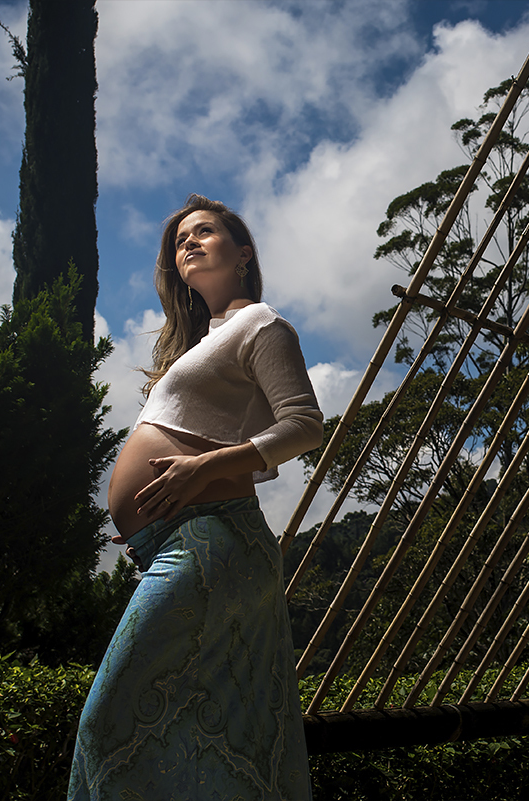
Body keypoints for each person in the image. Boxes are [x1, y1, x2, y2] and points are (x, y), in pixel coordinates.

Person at [68, 195, 322, 800]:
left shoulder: (261, 323)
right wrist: (142, 521)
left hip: (215, 540)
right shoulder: (196, 347)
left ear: (242, 253)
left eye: (205, 232)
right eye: (180, 239)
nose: (189, 242)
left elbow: (305, 424)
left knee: (110, 721)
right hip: (180, 542)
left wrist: (200, 471)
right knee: (199, 732)